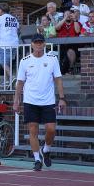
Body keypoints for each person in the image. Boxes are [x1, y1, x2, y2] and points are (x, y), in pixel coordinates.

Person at [13, 33, 66, 171]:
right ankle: (37, 159)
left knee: (51, 129)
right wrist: (16, 101)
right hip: (30, 100)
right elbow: (20, 82)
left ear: (44, 44)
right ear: (31, 44)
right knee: (33, 130)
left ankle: (46, 150)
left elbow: (58, 79)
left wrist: (62, 98)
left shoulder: (52, 59)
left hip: (48, 101)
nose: (38, 45)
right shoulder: (24, 61)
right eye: (36, 42)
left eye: (40, 42)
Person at [0, 3, 20, 87]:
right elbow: (18, 29)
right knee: (7, 63)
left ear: (1, 10)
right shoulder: (14, 18)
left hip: (5, 44)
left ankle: (13, 78)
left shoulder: (0, 18)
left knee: (3, 62)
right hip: (15, 44)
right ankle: (7, 81)